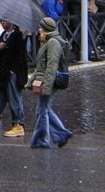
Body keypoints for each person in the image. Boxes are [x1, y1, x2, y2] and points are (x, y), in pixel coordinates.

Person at [27, 17, 73, 149]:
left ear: (46, 29)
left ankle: (43, 139)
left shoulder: (53, 43)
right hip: (47, 80)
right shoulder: (47, 41)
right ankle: (60, 134)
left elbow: (51, 66)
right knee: (43, 109)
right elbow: (41, 66)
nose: (39, 29)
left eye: (41, 28)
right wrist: (30, 82)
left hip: (51, 81)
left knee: (41, 111)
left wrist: (46, 87)